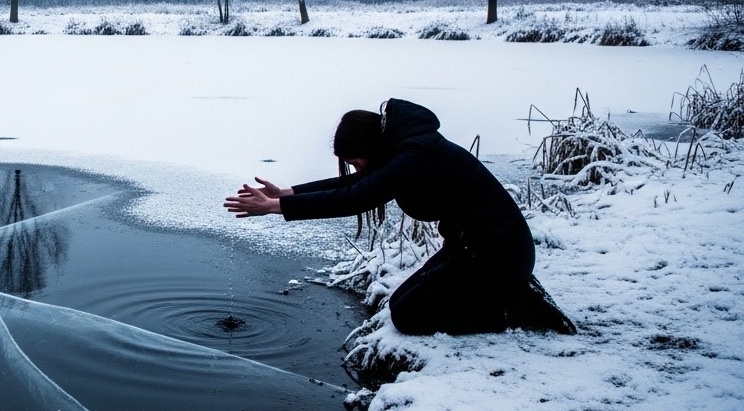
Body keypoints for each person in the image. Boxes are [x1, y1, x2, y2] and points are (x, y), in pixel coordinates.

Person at [223, 98, 574, 335]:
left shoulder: (414, 152)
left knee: (410, 317)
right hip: (471, 247)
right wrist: (287, 193)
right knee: (400, 304)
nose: (357, 168)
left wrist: (274, 208)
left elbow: (356, 196)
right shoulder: (402, 146)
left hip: (498, 254)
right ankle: (502, 294)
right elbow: (357, 183)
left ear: (370, 147)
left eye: (357, 159)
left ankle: (515, 311)